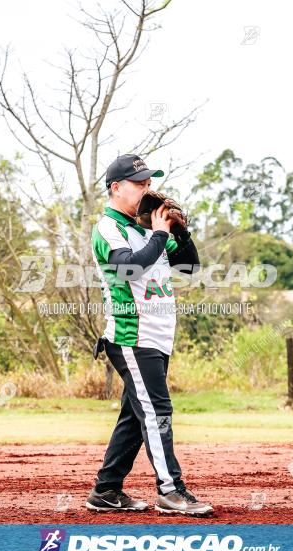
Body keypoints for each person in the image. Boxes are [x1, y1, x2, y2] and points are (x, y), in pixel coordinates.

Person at [86, 153, 213, 516]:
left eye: (148, 182)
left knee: (134, 415)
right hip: (131, 337)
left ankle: (106, 490)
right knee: (157, 410)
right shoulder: (108, 228)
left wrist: (179, 230)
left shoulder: (146, 228)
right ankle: (171, 491)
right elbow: (128, 268)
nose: (147, 188)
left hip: (157, 337)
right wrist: (159, 234)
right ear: (116, 187)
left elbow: (189, 266)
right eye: (139, 183)